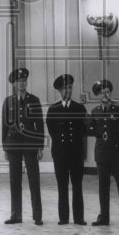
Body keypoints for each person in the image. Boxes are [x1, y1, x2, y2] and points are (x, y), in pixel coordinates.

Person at [87, 79, 119, 227]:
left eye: (107, 92)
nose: (105, 95)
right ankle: (104, 217)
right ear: (98, 95)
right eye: (102, 92)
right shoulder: (95, 112)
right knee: (103, 187)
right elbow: (93, 131)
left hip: (117, 155)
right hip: (102, 155)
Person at [1, 67, 44, 225]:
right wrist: (5, 147)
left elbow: (39, 125)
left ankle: (37, 216)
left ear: (27, 82)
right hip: (13, 144)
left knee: (34, 179)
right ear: (14, 84)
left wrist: (40, 146)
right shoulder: (8, 101)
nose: (22, 83)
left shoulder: (34, 100)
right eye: (19, 81)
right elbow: (5, 126)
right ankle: (16, 215)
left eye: (24, 81)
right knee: (15, 181)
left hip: (30, 144)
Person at [46, 73, 88, 225]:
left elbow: (83, 130)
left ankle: (79, 218)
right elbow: (52, 132)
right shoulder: (53, 109)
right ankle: (63, 217)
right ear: (59, 91)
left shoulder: (79, 108)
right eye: (64, 88)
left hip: (76, 153)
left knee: (77, 186)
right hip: (60, 154)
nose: (67, 91)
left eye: (70, 88)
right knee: (62, 186)